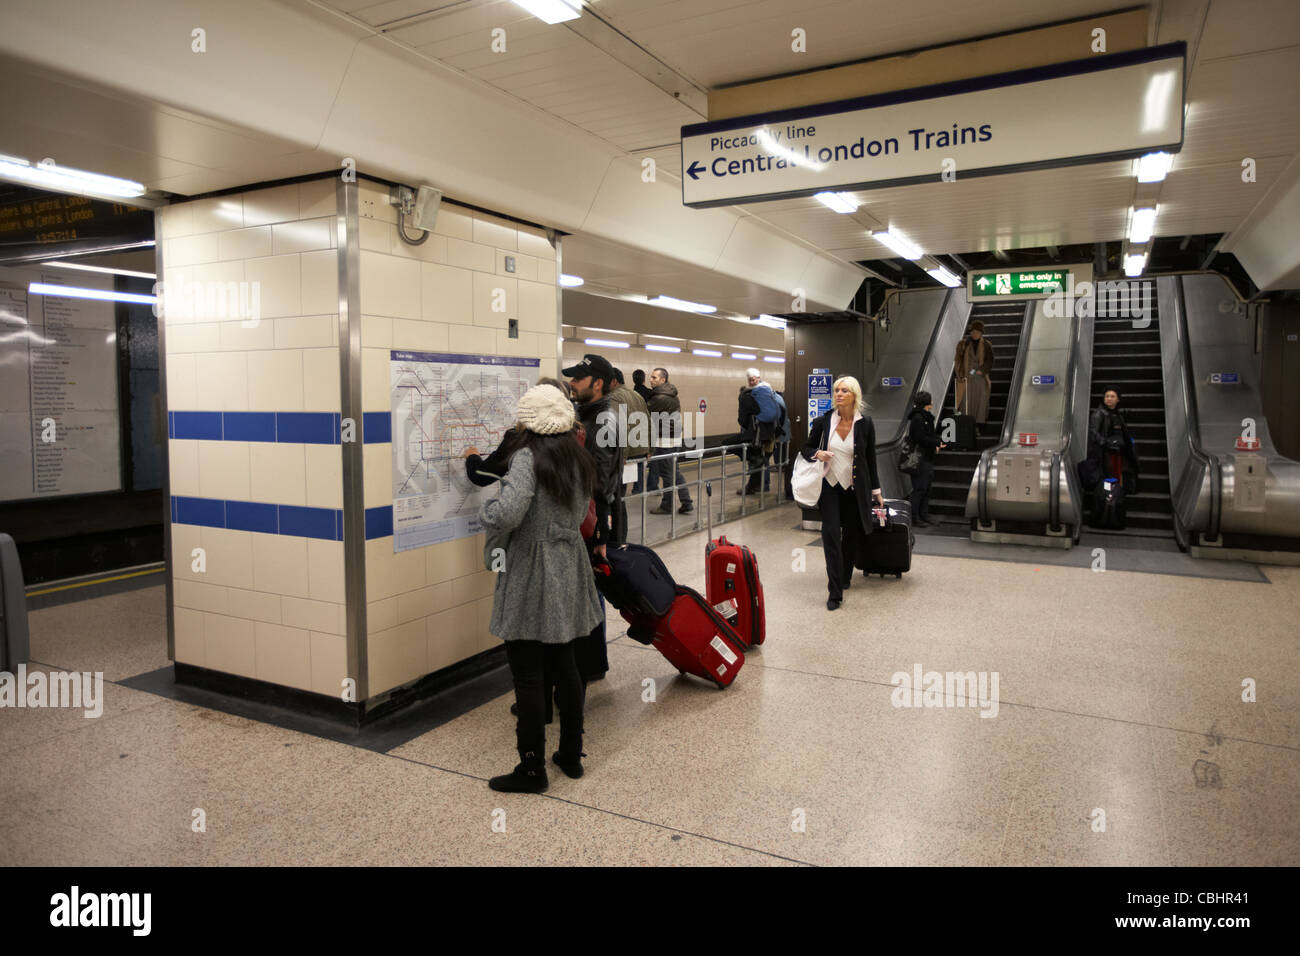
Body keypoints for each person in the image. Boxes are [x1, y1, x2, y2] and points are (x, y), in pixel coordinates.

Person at [478, 384, 603, 793]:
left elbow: (510, 513)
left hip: (533, 568)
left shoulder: (527, 459)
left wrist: (487, 509)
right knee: (567, 664)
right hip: (570, 563)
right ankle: (570, 755)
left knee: (529, 674)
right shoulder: (578, 457)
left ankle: (531, 769)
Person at [799, 376, 883, 611]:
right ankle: (834, 592)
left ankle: (845, 575)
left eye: (844, 390)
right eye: (836, 390)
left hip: (855, 490)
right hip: (830, 487)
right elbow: (806, 448)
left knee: (852, 536)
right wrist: (818, 454)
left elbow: (870, 460)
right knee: (831, 534)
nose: (838, 393)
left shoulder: (865, 424)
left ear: (854, 395)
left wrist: (876, 491)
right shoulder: (824, 421)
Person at [564, 353, 621, 684]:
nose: (572, 382)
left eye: (579, 378)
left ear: (597, 383)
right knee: (588, 589)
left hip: (593, 519)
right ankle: (590, 662)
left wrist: (599, 530)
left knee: (588, 590)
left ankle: (590, 664)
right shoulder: (587, 415)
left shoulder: (602, 422)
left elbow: (600, 479)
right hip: (588, 517)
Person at [645, 367, 694, 515]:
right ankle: (686, 502)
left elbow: (643, 414)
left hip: (665, 440)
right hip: (672, 438)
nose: (651, 380)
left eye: (654, 377)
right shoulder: (671, 394)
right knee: (674, 472)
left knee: (668, 474)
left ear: (663, 380)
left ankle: (668, 505)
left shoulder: (660, 397)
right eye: (651, 377)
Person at [607, 368, 650, 517]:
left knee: (614, 495)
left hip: (623, 454)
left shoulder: (614, 397)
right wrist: (650, 449)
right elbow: (648, 421)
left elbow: (621, 427)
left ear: (613, 381)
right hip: (637, 451)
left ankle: (617, 533)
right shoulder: (637, 395)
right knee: (620, 495)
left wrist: (622, 455)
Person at [1084, 386, 1139, 496]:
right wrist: (1105, 443)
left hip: (1118, 452)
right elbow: (1093, 432)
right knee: (1108, 478)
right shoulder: (1099, 413)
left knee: (1119, 476)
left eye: (1112, 396)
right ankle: (1109, 500)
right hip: (1106, 453)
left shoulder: (1117, 414)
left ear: (1118, 399)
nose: (1109, 398)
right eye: (1107, 396)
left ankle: (1117, 496)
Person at [905, 391, 947, 527]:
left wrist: (937, 441)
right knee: (919, 488)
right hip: (919, 458)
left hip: (927, 457)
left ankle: (924, 514)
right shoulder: (918, 418)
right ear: (928, 403)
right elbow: (920, 438)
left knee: (926, 488)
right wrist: (936, 443)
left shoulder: (926, 417)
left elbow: (929, 434)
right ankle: (914, 517)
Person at [953, 320, 995, 424]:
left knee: (980, 400)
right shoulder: (963, 344)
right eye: (973, 332)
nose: (974, 334)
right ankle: (965, 424)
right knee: (965, 401)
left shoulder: (986, 344)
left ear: (981, 333)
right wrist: (959, 374)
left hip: (980, 377)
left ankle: (978, 424)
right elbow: (957, 360)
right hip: (967, 376)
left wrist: (982, 370)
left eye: (977, 332)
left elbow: (990, 360)